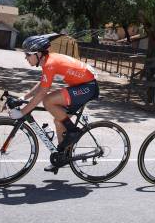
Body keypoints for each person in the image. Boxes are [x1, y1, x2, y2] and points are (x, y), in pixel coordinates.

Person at [9, 34, 99, 171]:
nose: (25, 58)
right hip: (81, 86)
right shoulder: (48, 62)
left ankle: (73, 130)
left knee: (48, 100)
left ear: (38, 54)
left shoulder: (50, 64)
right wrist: (23, 98)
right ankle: (63, 157)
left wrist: (22, 112)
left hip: (88, 86)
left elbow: (41, 94)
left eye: (28, 54)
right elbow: (42, 84)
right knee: (59, 121)